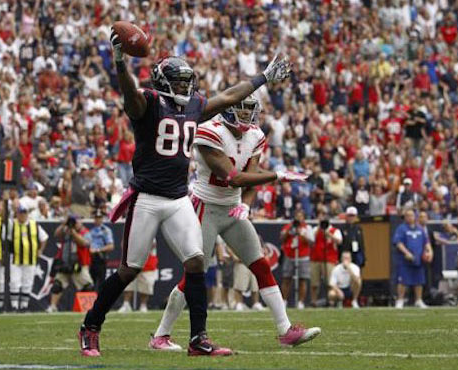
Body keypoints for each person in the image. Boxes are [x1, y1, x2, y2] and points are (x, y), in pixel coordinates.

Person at [79, 26, 291, 357]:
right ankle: (91, 326)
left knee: (195, 263)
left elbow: (229, 96)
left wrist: (263, 77)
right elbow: (129, 94)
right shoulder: (147, 103)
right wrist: (120, 61)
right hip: (147, 197)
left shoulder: (193, 107)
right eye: (177, 82)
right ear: (163, 83)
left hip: (178, 198)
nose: (183, 87)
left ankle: (198, 340)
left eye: (185, 82)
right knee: (129, 269)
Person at [150, 96, 318, 352]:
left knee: (260, 264)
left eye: (251, 110)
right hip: (205, 207)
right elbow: (234, 177)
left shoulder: (256, 135)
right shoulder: (209, 131)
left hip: (232, 208)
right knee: (195, 274)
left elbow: (250, 178)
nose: (246, 116)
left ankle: (285, 330)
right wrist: (278, 175)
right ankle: (161, 335)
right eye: (242, 109)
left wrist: (247, 205)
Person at [8, 205, 48, 312]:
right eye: (20, 213)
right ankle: (14, 306)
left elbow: (44, 238)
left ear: (27, 214)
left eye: (24, 213)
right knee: (14, 282)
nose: (22, 215)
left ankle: (24, 306)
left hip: (30, 258)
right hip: (16, 259)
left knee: (28, 283)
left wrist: (40, 250)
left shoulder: (34, 225)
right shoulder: (12, 225)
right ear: (17, 214)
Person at [48, 215, 92, 312]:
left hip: (79, 264)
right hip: (65, 262)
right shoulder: (66, 230)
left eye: (76, 222)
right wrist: (64, 224)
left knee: (87, 286)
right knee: (57, 285)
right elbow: (56, 234)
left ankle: (87, 308)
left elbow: (84, 243)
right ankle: (52, 307)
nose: (74, 224)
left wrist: (74, 233)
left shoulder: (85, 232)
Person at [392, 209, 432, 309]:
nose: (409, 217)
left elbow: (426, 242)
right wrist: (407, 253)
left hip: (418, 259)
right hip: (405, 259)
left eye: (411, 215)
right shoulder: (401, 229)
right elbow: (398, 243)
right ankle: (400, 300)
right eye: (407, 215)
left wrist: (430, 252)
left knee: (419, 281)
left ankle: (418, 300)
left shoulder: (420, 229)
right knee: (402, 281)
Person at [280, 209, 315, 309]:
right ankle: (284, 301)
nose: (299, 218)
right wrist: (289, 231)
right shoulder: (288, 226)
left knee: (302, 279)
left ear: (303, 218)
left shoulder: (307, 228)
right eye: (297, 216)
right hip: (290, 255)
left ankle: (301, 302)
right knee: (287, 278)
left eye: (301, 216)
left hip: (303, 256)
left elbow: (311, 243)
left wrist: (301, 234)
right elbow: (282, 239)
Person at [310, 212, 342, 307]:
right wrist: (319, 229)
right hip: (315, 259)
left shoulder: (334, 230)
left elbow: (339, 241)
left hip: (329, 259)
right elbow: (311, 241)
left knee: (330, 282)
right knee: (314, 283)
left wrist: (329, 235)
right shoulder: (315, 229)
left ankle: (331, 301)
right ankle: (313, 301)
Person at [118, 240, 159, 313]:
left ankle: (143, 306)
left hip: (148, 264)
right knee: (128, 285)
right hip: (132, 263)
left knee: (146, 286)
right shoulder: (130, 234)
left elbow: (149, 247)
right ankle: (126, 304)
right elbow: (123, 245)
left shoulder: (151, 235)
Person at [85, 208, 115, 289]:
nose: (97, 220)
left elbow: (111, 246)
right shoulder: (90, 231)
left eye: (99, 218)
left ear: (102, 219)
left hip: (100, 257)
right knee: (90, 282)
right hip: (90, 259)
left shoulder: (106, 231)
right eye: (96, 218)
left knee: (101, 282)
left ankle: (100, 300)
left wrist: (98, 250)